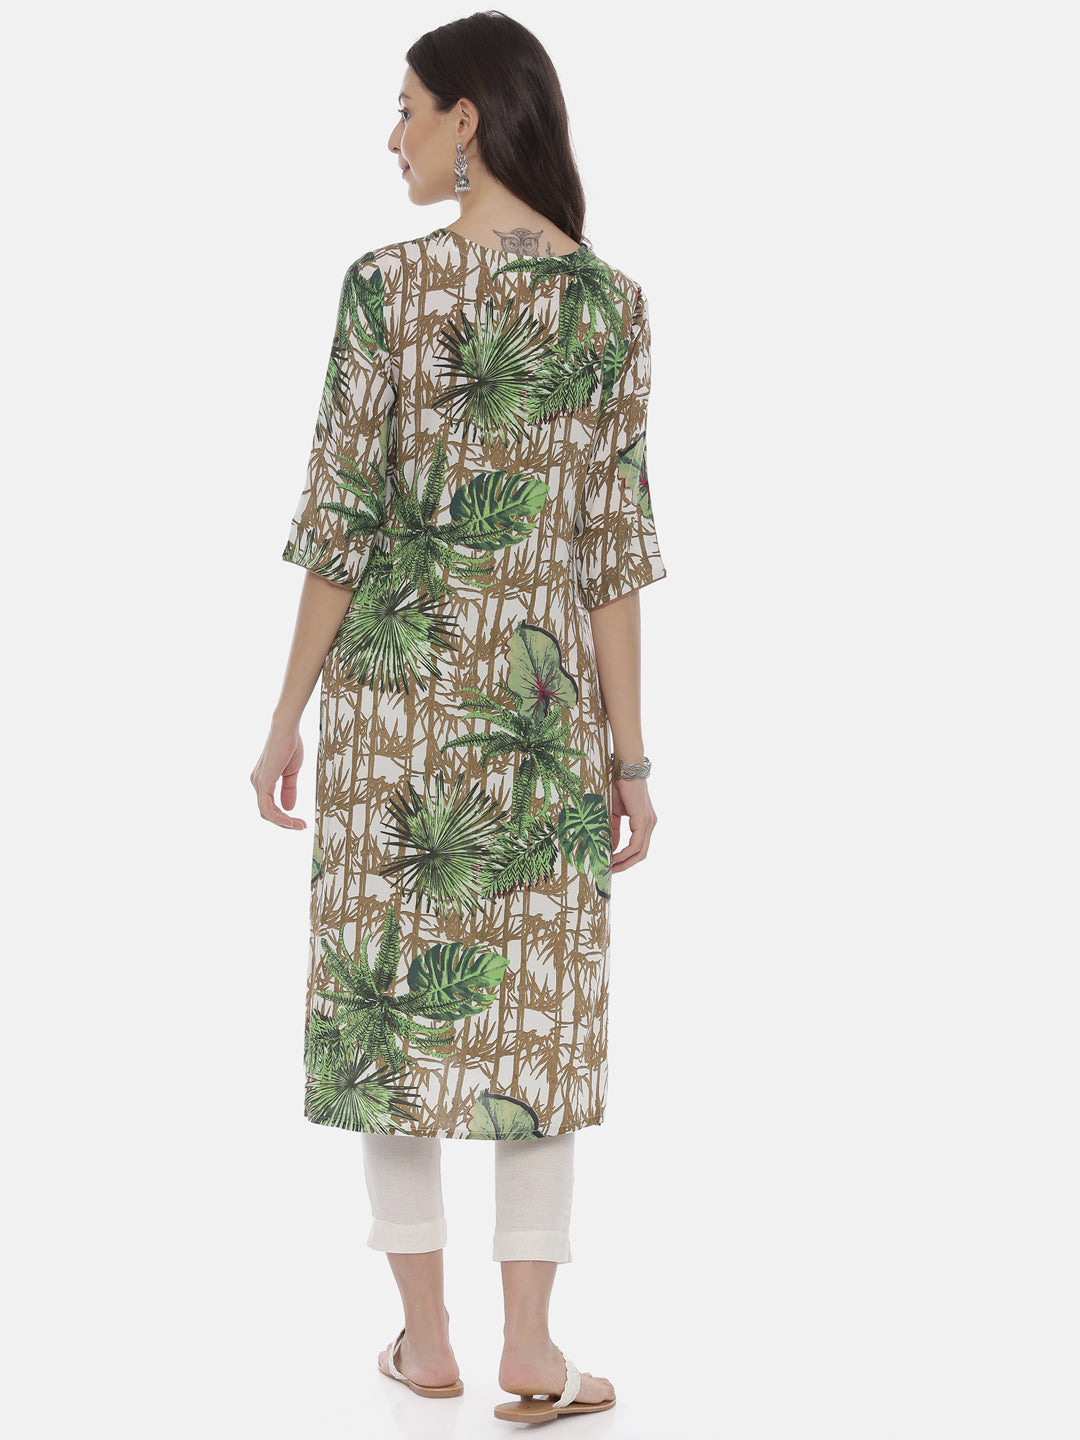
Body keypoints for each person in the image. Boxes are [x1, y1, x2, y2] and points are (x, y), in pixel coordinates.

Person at [251, 11, 668, 1425]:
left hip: (392, 712)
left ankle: (426, 1342)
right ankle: (533, 1351)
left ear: (468, 121)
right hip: (542, 720)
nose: (395, 138)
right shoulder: (609, 306)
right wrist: (628, 755)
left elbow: (341, 524)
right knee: (535, 1022)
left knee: (390, 1020)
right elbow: (612, 552)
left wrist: (285, 717)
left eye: (407, 109)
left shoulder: (385, 289)